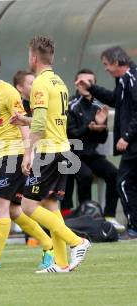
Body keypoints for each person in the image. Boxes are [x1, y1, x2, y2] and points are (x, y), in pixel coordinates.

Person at [0, 53, 54, 272]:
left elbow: (24, 125)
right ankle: (48, 245)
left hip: (14, 154)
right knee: (15, 211)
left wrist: (28, 154)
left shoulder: (8, 92)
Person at [12, 36, 91, 273]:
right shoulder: (58, 81)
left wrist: (28, 154)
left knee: (27, 206)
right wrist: (23, 119)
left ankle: (77, 242)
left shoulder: (39, 83)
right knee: (50, 205)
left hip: (47, 153)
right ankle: (61, 262)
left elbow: (38, 126)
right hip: (62, 149)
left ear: (34, 58)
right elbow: (45, 120)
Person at [76, 46, 137, 238]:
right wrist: (92, 88)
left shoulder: (132, 79)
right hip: (130, 142)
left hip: (133, 142)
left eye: (106, 64)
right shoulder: (124, 80)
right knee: (127, 182)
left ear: (116, 62)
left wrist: (126, 136)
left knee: (124, 182)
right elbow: (115, 100)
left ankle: (134, 226)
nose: (106, 69)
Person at [67, 68, 125, 232]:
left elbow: (103, 139)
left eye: (90, 82)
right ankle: (86, 218)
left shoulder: (99, 106)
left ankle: (109, 217)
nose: (86, 85)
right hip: (73, 155)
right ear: (76, 84)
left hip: (91, 155)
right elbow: (71, 135)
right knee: (84, 175)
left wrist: (101, 129)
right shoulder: (70, 105)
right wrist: (90, 126)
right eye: (82, 81)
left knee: (114, 174)